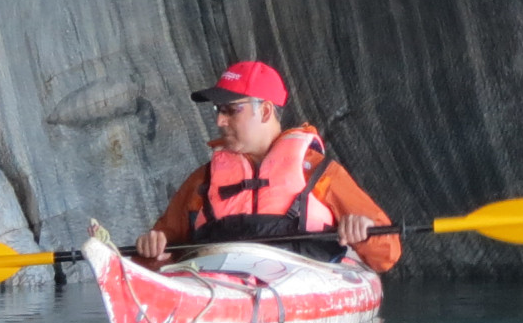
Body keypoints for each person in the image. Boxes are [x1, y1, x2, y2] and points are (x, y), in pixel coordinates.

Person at [136, 61, 402, 273]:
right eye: (218, 110)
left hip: (302, 286)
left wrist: (363, 233)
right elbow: (162, 245)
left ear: (264, 111)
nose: (219, 121)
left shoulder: (319, 173)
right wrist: (154, 249)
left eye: (230, 110)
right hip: (218, 287)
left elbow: (387, 256)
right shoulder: (203, 181)